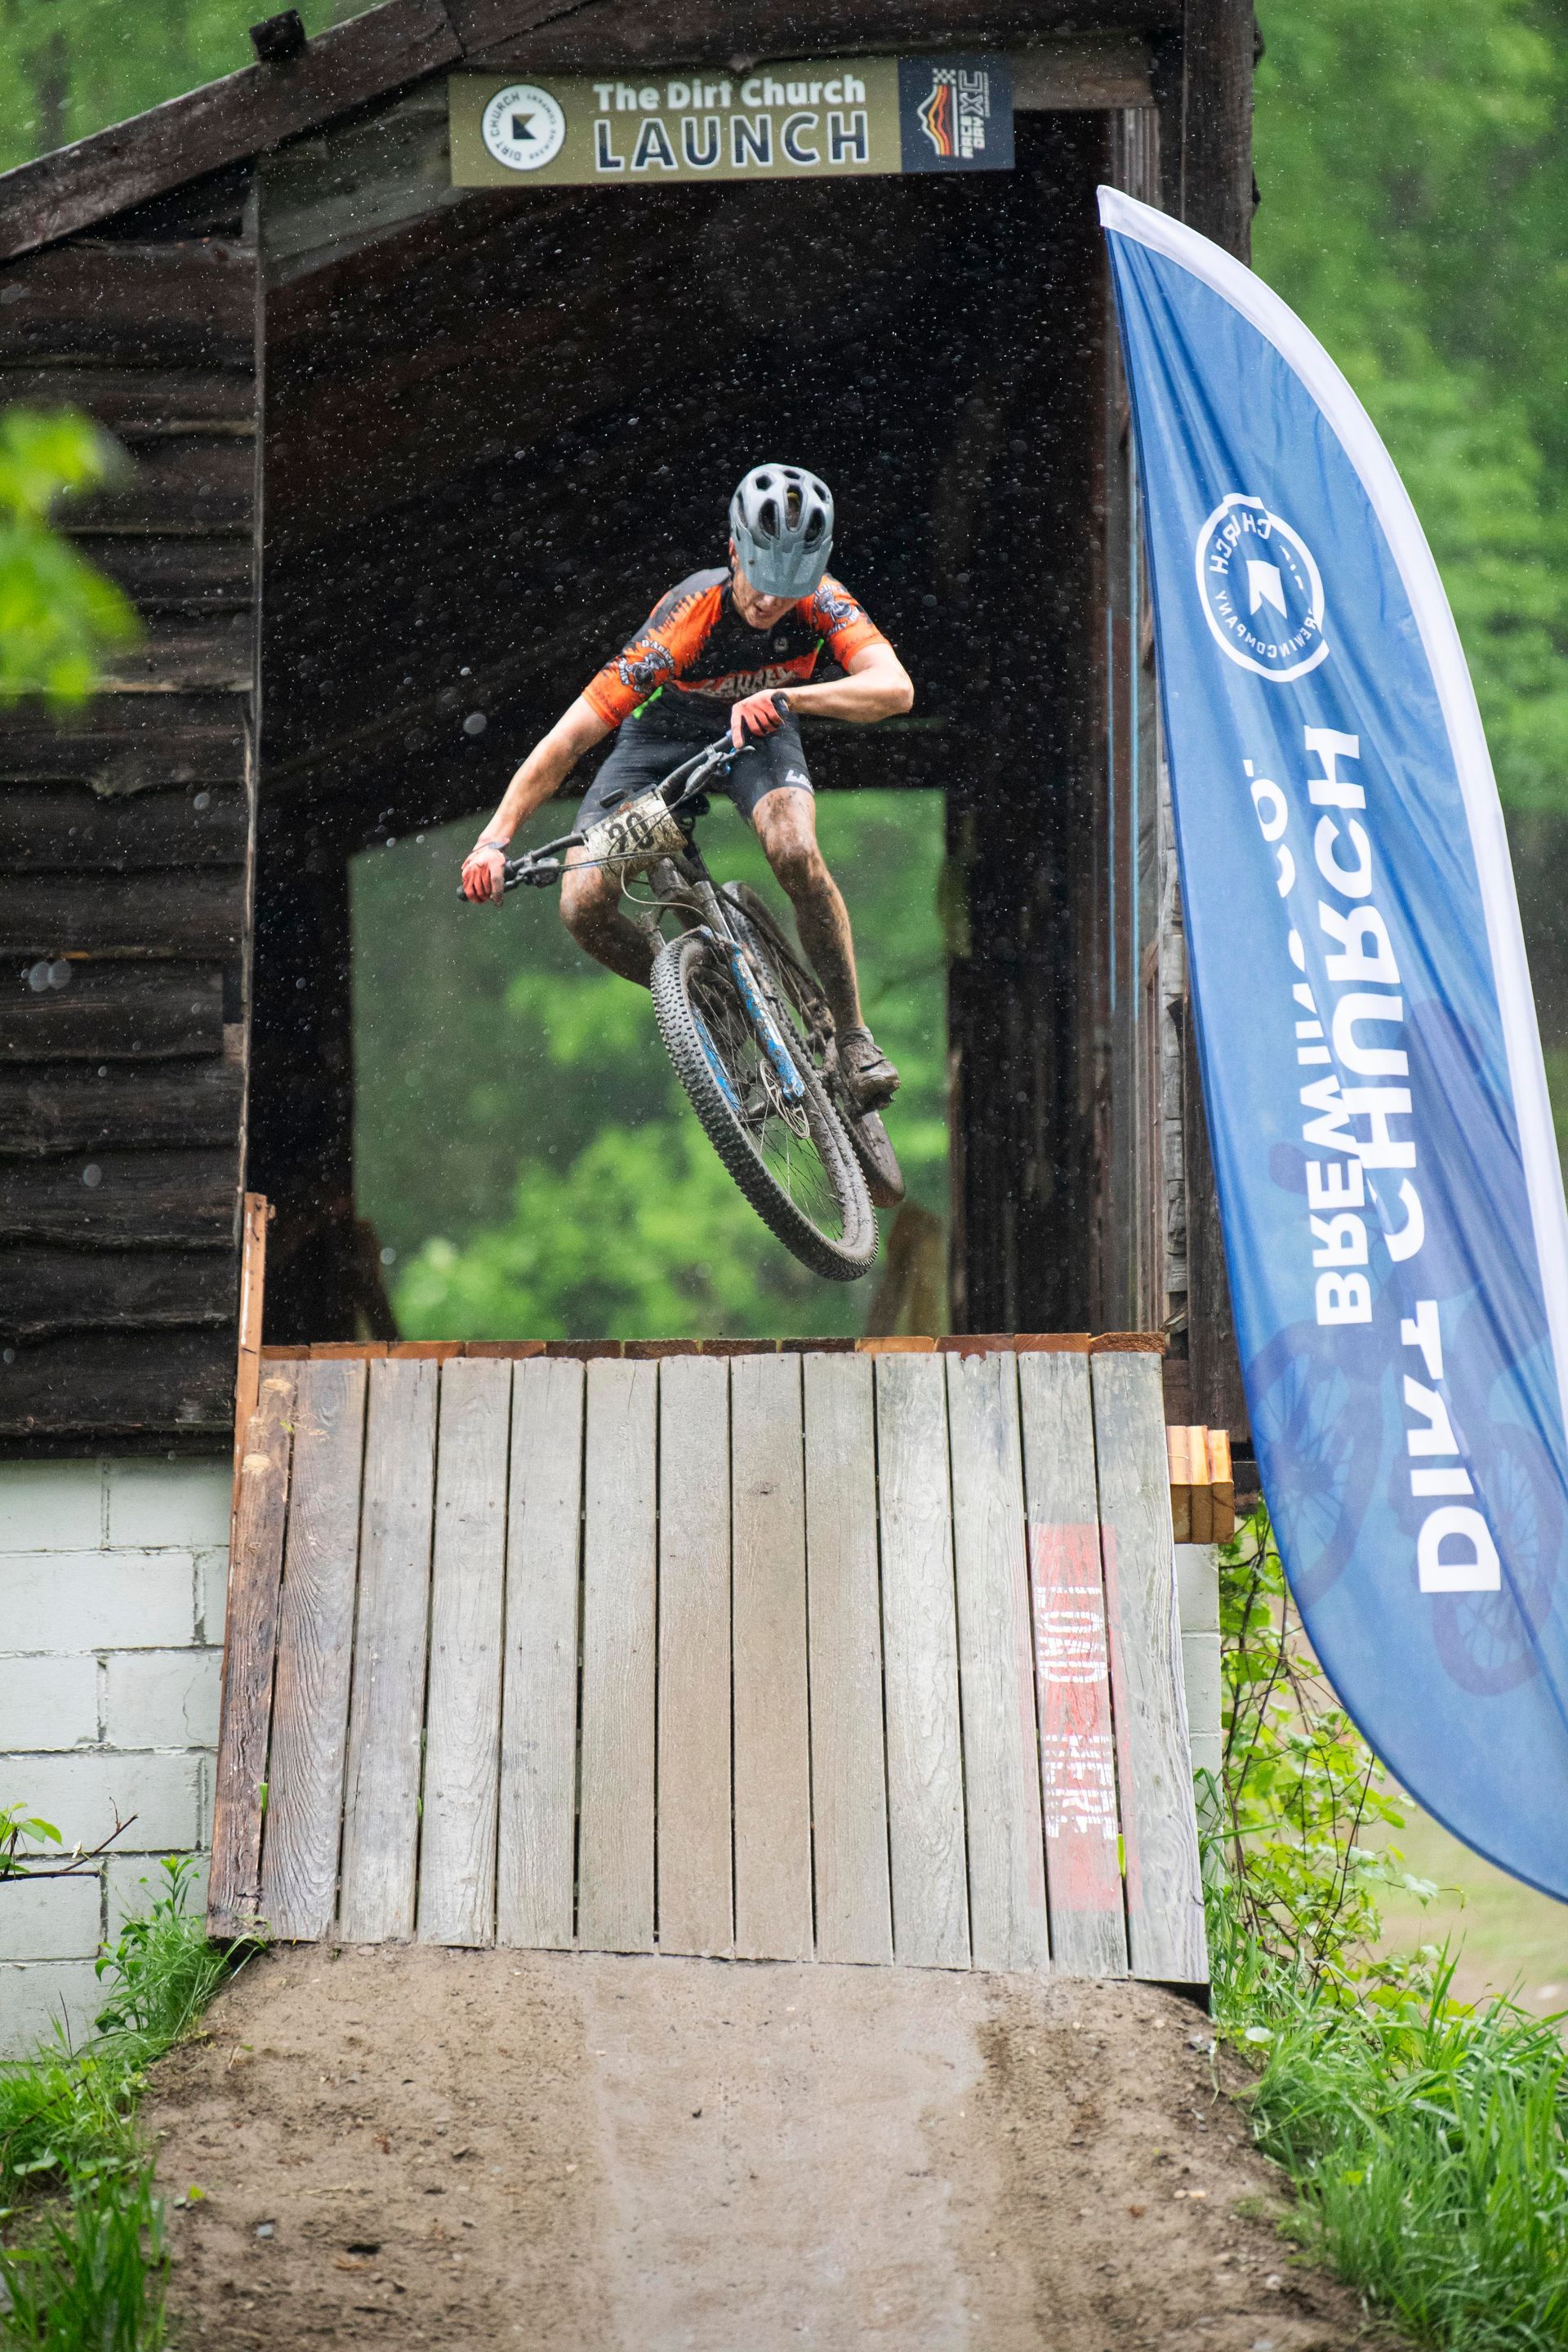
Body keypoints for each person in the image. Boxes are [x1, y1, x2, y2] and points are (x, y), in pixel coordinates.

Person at [461, 463, 912, 1109]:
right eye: (760, 583)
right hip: (658, 746)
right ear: (734, 552)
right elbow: (568, 740)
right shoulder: (687, 619)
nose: (770, 605)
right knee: (581, 906)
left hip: (761, 733)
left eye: (789, 591)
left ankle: (854, 1037)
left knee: (794, 851)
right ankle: (707, 998)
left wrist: (790, 697)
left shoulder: (824, 600)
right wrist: (494, 840)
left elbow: (895, 690)